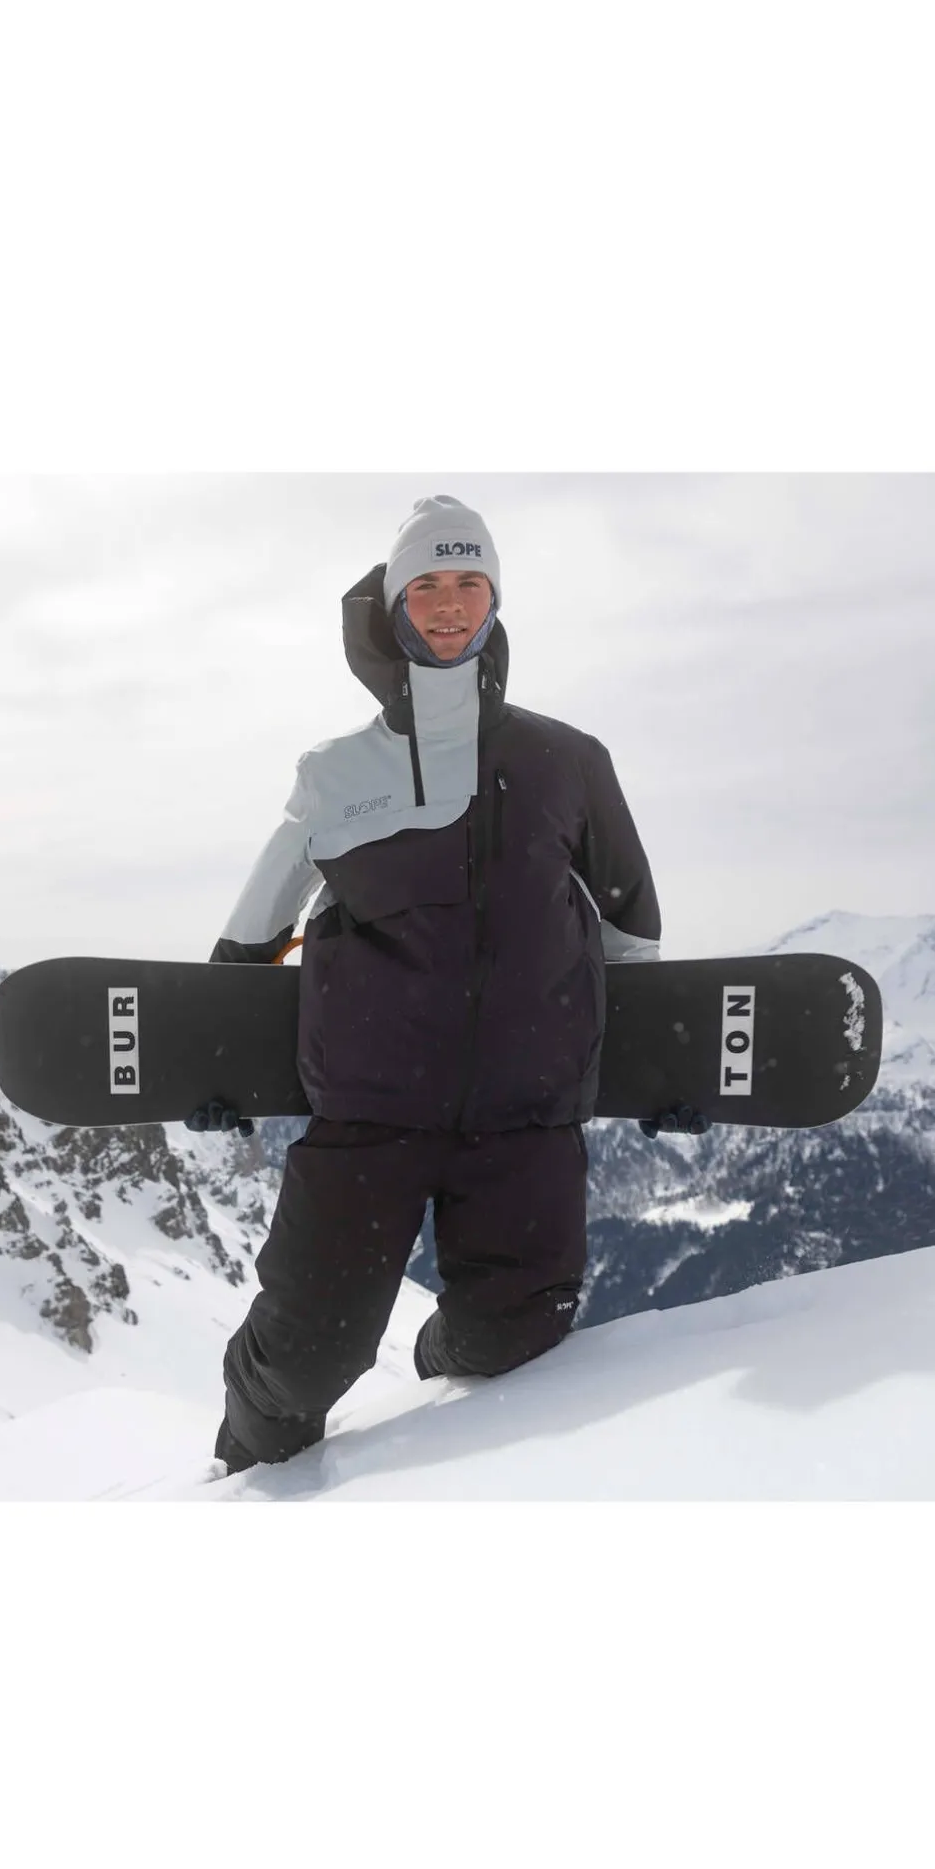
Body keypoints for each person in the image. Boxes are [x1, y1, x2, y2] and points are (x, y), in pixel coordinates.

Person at [189, 494, 699, 1476]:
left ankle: (433, 1374)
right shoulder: (335, 774)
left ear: (495, 598)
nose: (451, 603)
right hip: (369, 1116)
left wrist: (652, 1060)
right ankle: (234, 1479)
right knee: (303, 1358)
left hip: (525, 1118)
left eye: (470, 582)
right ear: (393, 604)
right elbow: (252, 934)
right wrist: (211, 1061)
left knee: (517, 1330)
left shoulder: (567, 762)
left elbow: (630, 928)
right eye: (427, 585)